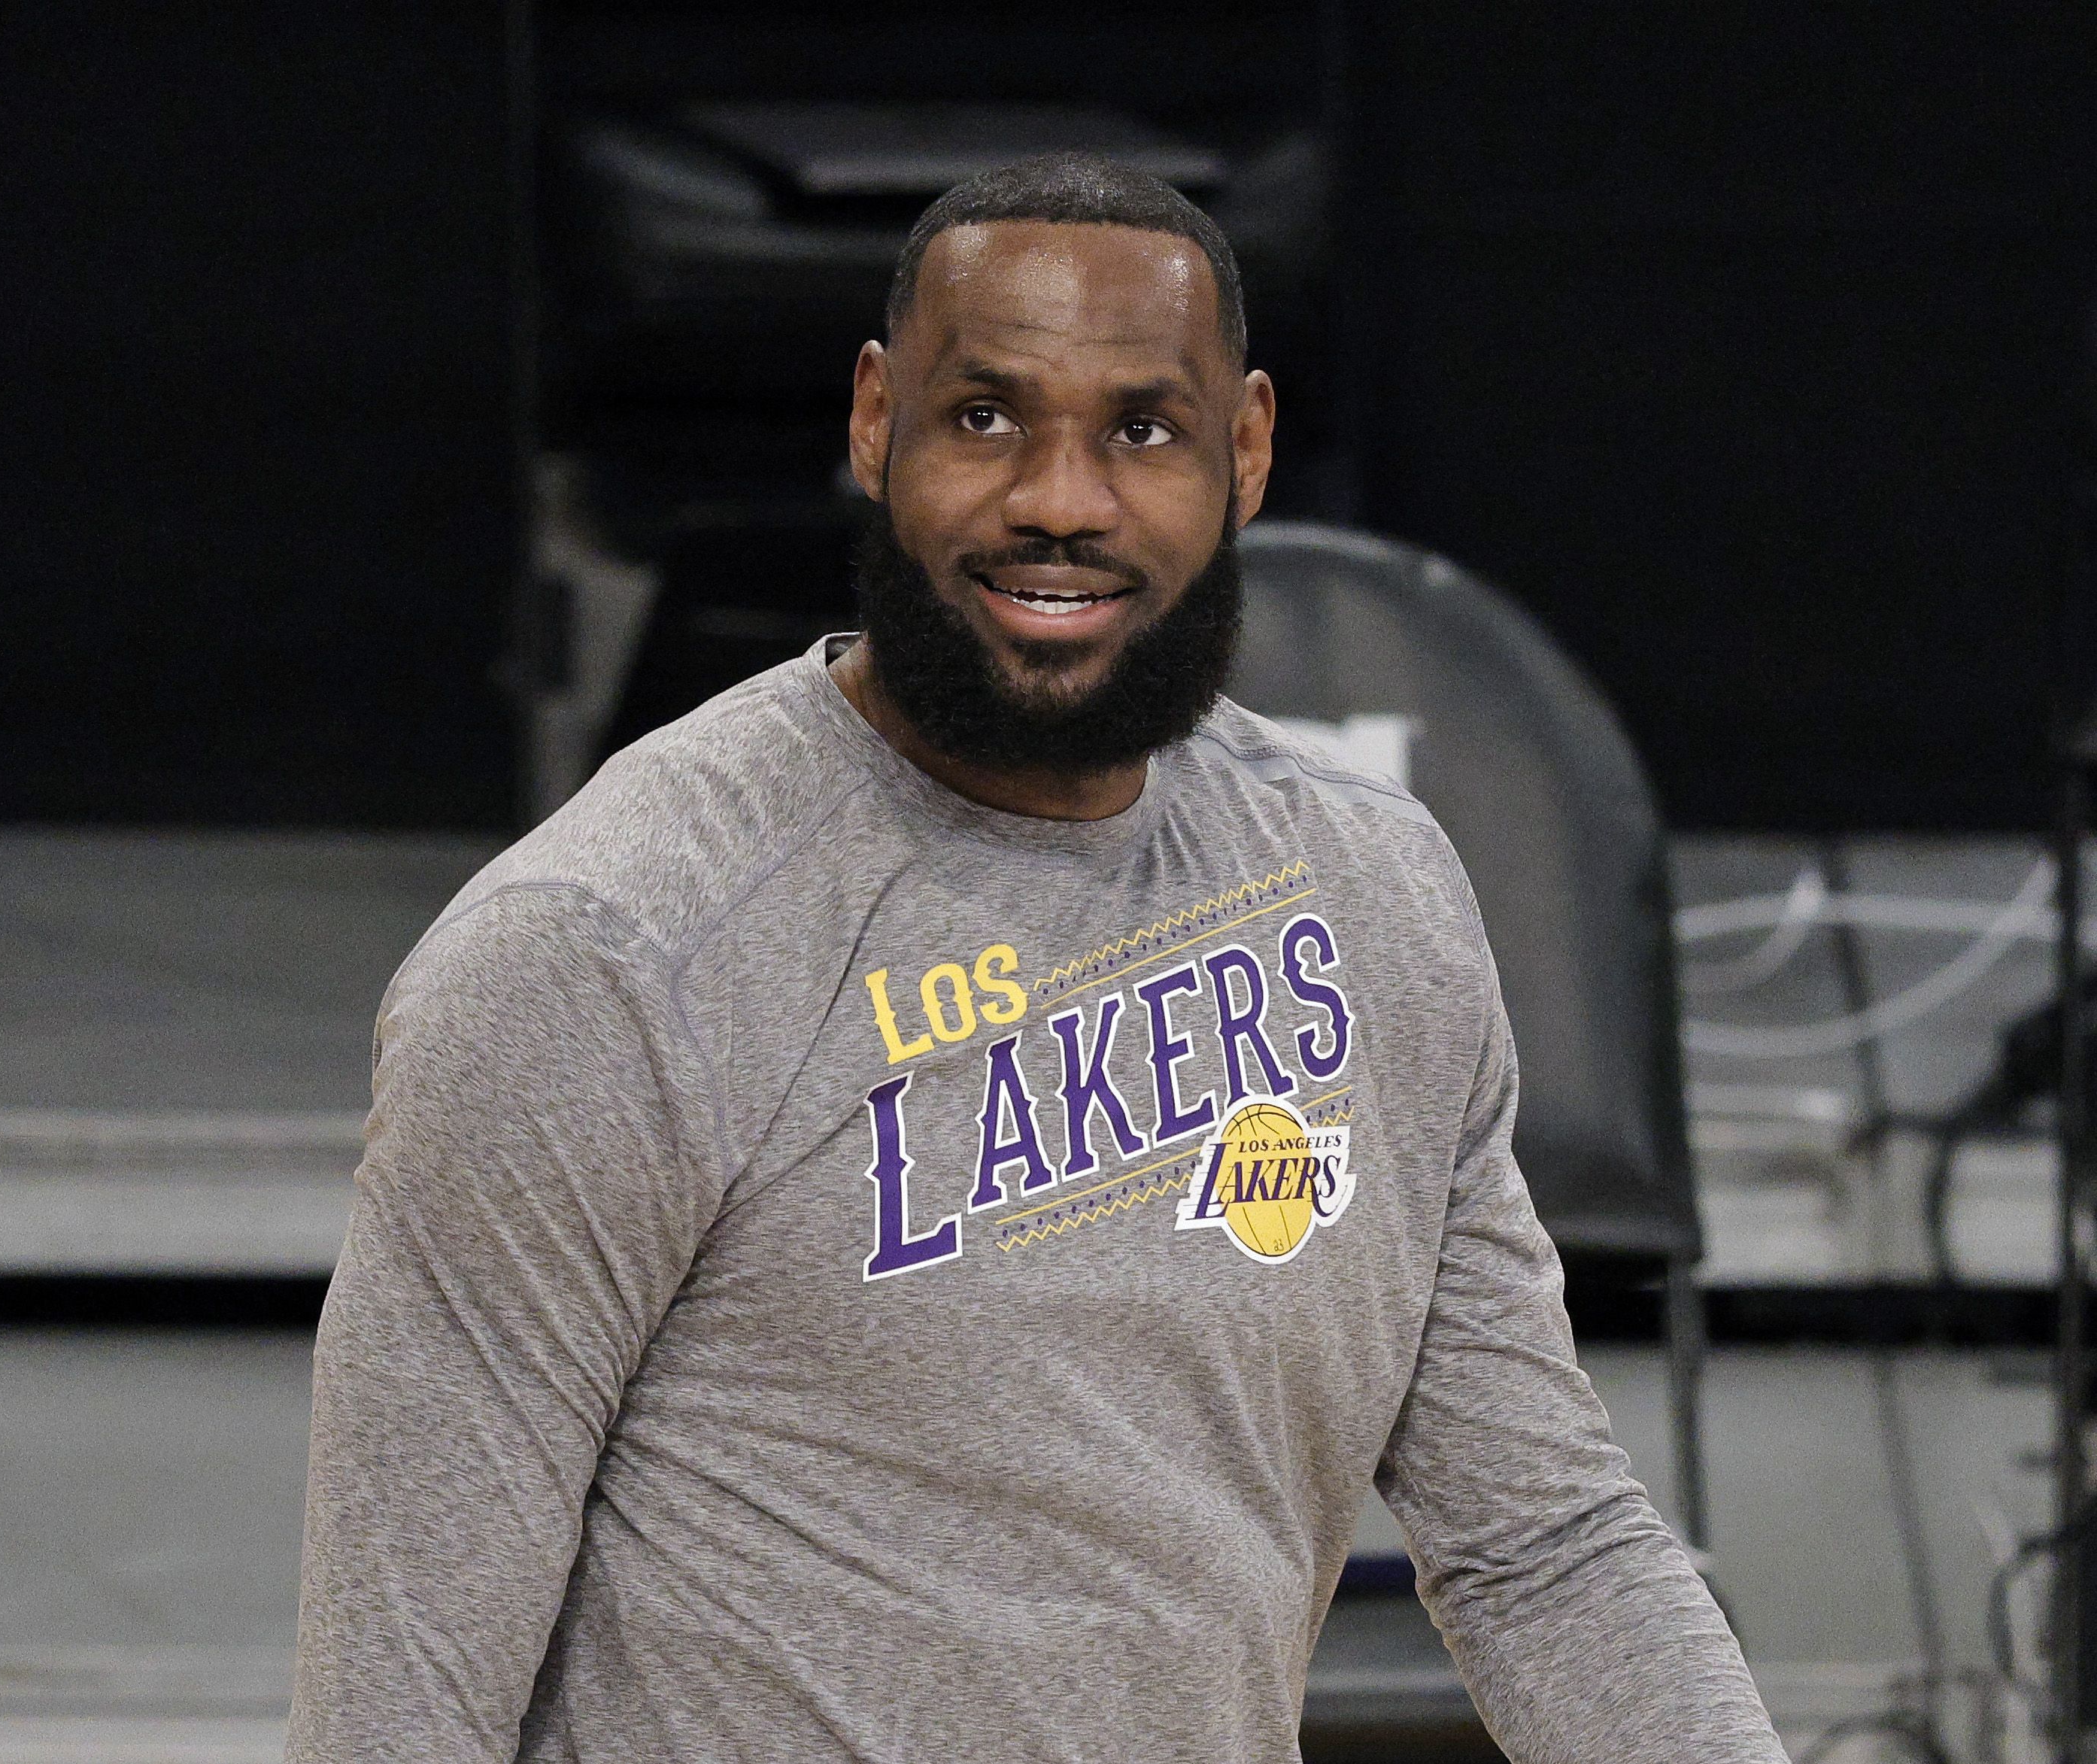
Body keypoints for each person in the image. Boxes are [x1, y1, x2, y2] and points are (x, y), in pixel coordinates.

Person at [286, 153, 1783, 1763]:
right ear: (876, 424)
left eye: (1141, 430)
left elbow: (1543, 1549)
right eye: (986, 416)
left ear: (1246, 452)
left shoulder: (1368, 893)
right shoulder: (603, 955)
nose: (1059, 498)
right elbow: (400, 1705)